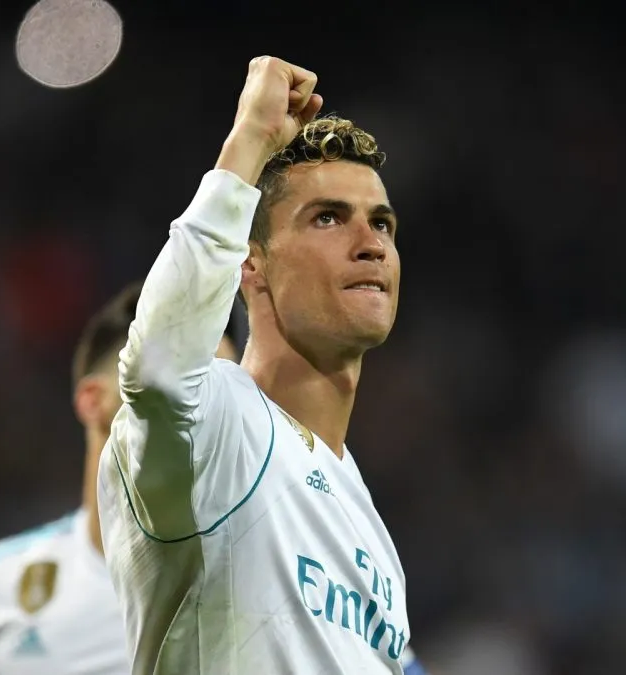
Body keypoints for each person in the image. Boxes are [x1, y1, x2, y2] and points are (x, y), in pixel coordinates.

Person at [95, 57, 427, 674]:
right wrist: (248, 140)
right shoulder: (216, 424)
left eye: (382, 223)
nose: (371, 242)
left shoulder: (374, 533)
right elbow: (159, 364)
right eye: (328, 217)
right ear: (251, 265)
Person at [0, 283, 239, 675]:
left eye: (225, 389)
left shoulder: (268, 585)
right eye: (181, 379)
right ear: (94, 400)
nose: (203, 407)